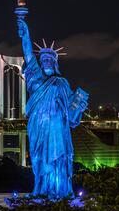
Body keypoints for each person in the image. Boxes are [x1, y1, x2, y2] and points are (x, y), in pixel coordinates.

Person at [17, 14, 88, 199]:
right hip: (39, 126)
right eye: (43, 59)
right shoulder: (36, 77)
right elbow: (28, 53)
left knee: (58, 158)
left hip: (57, 127)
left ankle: (60, 192)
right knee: (40, 159)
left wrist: (79, 105)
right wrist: (25, 33)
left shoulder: (61, 82)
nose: (45, 61)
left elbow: (72, 111)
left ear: (55, 62)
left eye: (49, 59)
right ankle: (41, 190)